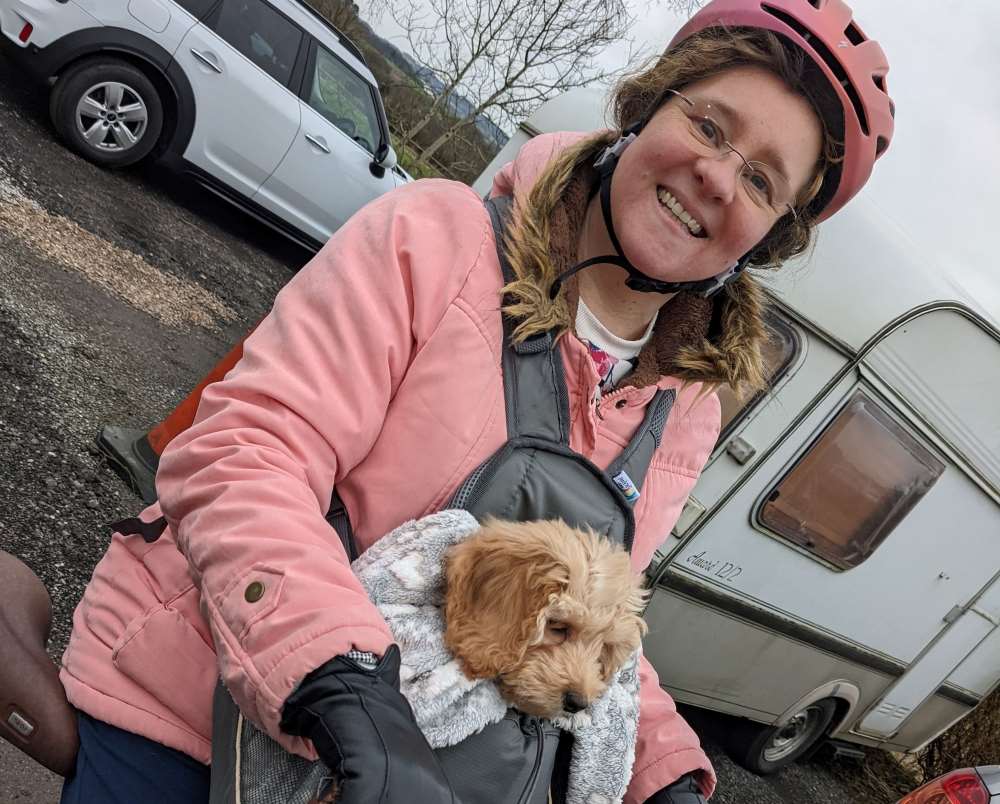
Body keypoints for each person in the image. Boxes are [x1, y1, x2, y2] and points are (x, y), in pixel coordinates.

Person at [45, 0, 895, 801]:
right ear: (644, 110)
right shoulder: (437, 235)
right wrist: (337, 676)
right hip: (195, 707)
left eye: (761, 181)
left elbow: (596, 617)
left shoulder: (687, 411)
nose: (715, 175)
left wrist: (664, 769)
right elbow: (245, 451)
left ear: (770, 237)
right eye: (708, 125)